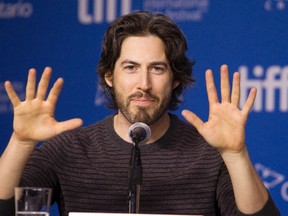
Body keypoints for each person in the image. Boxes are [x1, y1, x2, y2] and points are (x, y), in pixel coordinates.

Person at [0, 10, 280, 216]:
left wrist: (235, 154)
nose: (143, 84)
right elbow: (6, 208)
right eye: (130, 67)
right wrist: (21, 142)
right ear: (109, 75)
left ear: (176, 79)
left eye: (157, 68)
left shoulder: (209, 152)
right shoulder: (70, 149)